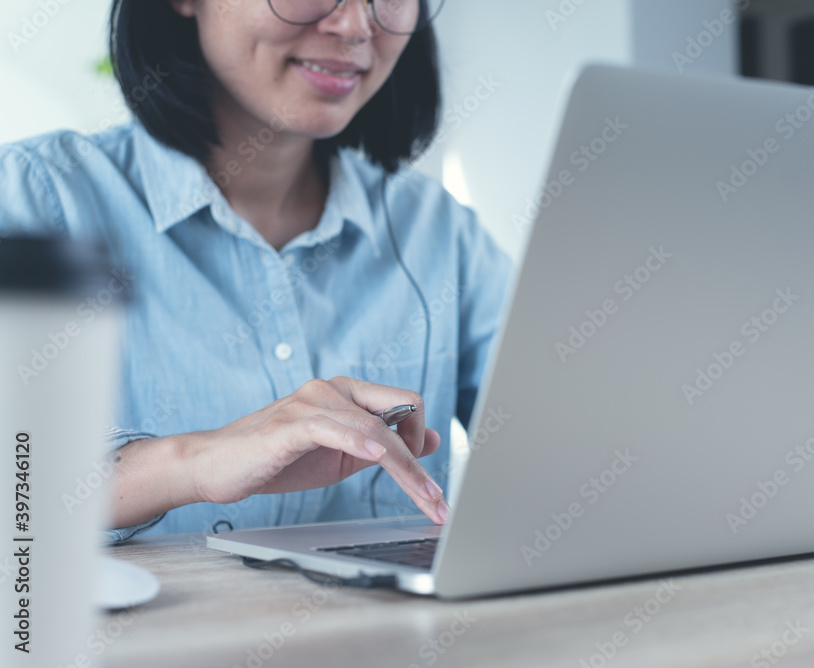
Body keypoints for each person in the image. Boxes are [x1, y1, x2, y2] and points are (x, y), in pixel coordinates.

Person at [0, 0, 511, 542]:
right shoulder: (33, 198)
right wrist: (193, 462)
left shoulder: (439, 230)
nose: (357, 25)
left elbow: (574, 445)